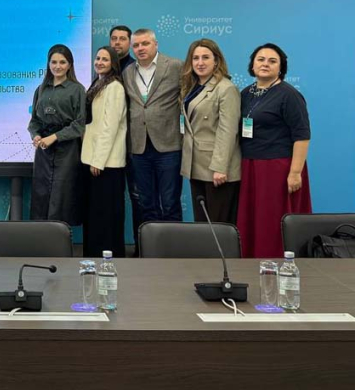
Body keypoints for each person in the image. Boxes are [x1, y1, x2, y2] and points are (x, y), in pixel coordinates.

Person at [238, 43, 311, 258]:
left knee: (272, 219)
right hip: (250, 165)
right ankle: (251, 259)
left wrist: (295, 172)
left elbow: (302, 136)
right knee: (254, 219)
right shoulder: (246, 93)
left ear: (281, 68)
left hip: (277, 167)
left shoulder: (289, 95)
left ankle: (276, 260)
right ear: (252, 65)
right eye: (260, 60)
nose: (265, 64)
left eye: (272, 61)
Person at [122, 29, 183, 223]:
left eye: (145, 43)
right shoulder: (128, 72)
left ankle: (173, 243)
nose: (140, 48)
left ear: (156, 44)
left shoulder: (175, 66)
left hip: (168, 145)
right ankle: (151, 242)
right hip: (139, 147)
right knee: (146, 203)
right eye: (136, 45)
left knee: (170, 202)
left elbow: (188, 98)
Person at [179, 39, 241, 224]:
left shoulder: (226, 88)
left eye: (205, 57)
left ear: (216, 60)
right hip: (196, 164)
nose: (200, 62)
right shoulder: (191, 86)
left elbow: (227, 131)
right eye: (195, 58)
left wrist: (220, 167)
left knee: (218, 225)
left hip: (217, 169)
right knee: (202, 224)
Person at [27, 44, 86, 224]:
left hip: (67, 149)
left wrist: (54, 137)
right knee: (41, 194)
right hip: (44, 151)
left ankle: (60, 237)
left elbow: (79, 124)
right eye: (53, 62)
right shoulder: (40, 89)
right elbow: (34, 121)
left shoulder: (77, 89)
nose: (57, 66)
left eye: (62, 62)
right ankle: (40, 238)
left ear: (70, 65)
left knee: (62, 195)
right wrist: (36, 135)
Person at [81, 47, 127, 257]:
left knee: (106, 215)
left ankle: (109, 257)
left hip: (106, 164)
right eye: (98, 58)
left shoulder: (115, 87)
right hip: (92, 159)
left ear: (113, 63)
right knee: (95, 214)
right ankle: (93, 255)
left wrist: (98, 161)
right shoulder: (97, 84)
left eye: (105, 59)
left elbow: (110, 127)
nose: (99, 62)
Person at [110, 24, 141, 250]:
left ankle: (142, 247)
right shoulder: (104, 68)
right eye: (114, 38)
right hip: (111, 147)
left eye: (122, 39)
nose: (117, 42)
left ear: (129, 43)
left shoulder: (135, 68)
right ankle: (115, 248)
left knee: (138, 198)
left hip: (134, 145)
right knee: (113, 200)